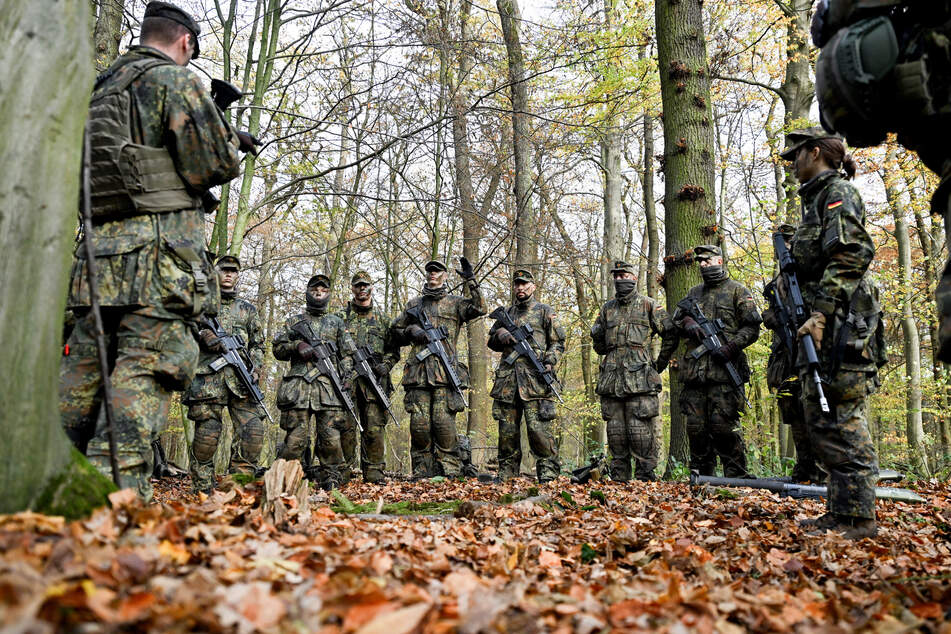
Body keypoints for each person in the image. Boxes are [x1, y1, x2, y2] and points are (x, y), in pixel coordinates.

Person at [60, 1, 245, 501]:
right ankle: (106, 518)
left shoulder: (98, 90)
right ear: (185, 42)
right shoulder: (173, 81)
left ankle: (51, 500)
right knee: (138, 387)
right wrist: (229, 141)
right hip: (158, 263)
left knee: (79, 391)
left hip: (96, 264)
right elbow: (212, 166)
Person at [780, 126, 884, 539]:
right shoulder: (816, 201)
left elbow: (853, 253)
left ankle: (859, 519)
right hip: (823, 325)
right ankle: (842, 511)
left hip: (841, 326)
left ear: (817, 152)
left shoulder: (838, 194)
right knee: (822, 418)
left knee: (841, 416)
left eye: (797, 154)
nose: (793, 163)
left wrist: (821, 315)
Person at [658, 245, 761, 478]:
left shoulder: (738, 291)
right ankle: (702, 478)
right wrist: (689, 324)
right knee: (696, 430)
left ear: (720, 261)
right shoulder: (693, 293)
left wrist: (731, 347)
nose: (705, 266)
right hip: (695, 374)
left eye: (709, 261)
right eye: (701, 263)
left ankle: (736, 478)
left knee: (723, 427)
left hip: (725, 373)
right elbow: (676, 319)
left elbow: (753, 327)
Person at [390, 259, 486, 478]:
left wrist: (471, 280)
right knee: (420, 427)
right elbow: (395, 330)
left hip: (445, 374)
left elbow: (480, 308)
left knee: (444, 426)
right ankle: (422, 474)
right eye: (430, 271)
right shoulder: (414, 304)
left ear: (444, 275)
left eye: (437, 271)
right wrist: (410, 332)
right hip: (418, 375)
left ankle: (449, 473)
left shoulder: (456, 303)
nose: (433, 274)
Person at [181, 256, 266, 493]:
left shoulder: (248, 310)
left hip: (241, 382)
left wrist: (257, 368)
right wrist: (202, 335)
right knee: (207, 436)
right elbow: (183, 327)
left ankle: (237, 487)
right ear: (215, 272)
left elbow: (259, 344)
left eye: (233, 271)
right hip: (208, 380)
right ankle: (202, 489)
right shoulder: (201, 303)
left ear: (238, 275)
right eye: (224, 270)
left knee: (253, 432)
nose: (228, 274)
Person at [272, 274, 357, 490]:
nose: (319, 293)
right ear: (308, 292)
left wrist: (346, 377)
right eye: (315, 290)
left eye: (323, 290)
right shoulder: (294, 322)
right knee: (295, 440)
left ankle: (331, 479)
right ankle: (286, 479)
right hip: (298, 390)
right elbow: (278, 349)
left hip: (329, 389)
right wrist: (296, 346)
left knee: (330, 440)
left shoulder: (337, 323)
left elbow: (348, 354)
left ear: (328, 294)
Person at [591, 261, 670, 482]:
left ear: (634, 278)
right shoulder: (607, 309)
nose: (619, 280)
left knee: (639, 433)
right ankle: (619, 479)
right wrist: (600, 338)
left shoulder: (649, 305)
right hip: (611, 380)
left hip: (641, 380)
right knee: (615, 433)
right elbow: (599, 344)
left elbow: (670, 333)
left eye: (624, 275)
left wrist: (659, 363)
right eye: (616, 277)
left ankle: (646, 479)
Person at [487, 268, 565, 482]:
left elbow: (558, 343)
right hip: (508, 383)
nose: (520, 288)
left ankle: (548, 475)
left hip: (535, 382)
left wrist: (549, 361)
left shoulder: (544, 311)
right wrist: (500, 334)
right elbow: (491, 340)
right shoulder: (507, 313)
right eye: (517, 284)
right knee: (507, 434)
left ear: (533, 286)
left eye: (524, 284)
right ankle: (506, 475)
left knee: (539, 432)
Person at [762, 224, 822, 484]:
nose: (786, 248)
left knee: (814, 408)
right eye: (782, 243)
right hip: (785, 355)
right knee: (793, 410)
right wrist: (771, 317)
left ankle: (821, 468)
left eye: (790, 242)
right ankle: (804, 466)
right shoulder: (778, 281)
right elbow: (770, 312)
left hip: (808, 349)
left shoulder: (810, 274)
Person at [337, 270, 400, 483]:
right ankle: (342, 473)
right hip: (347, 382)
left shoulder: (383, 320)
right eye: (358, 285)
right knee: (345, 427)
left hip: (375, 384)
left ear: (371, 287)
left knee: (374, 428)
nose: (362, 288)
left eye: (365, 285)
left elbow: (394, 351)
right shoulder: (340, 318)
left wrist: (386, 365)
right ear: (352, 288)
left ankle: (374, 474)